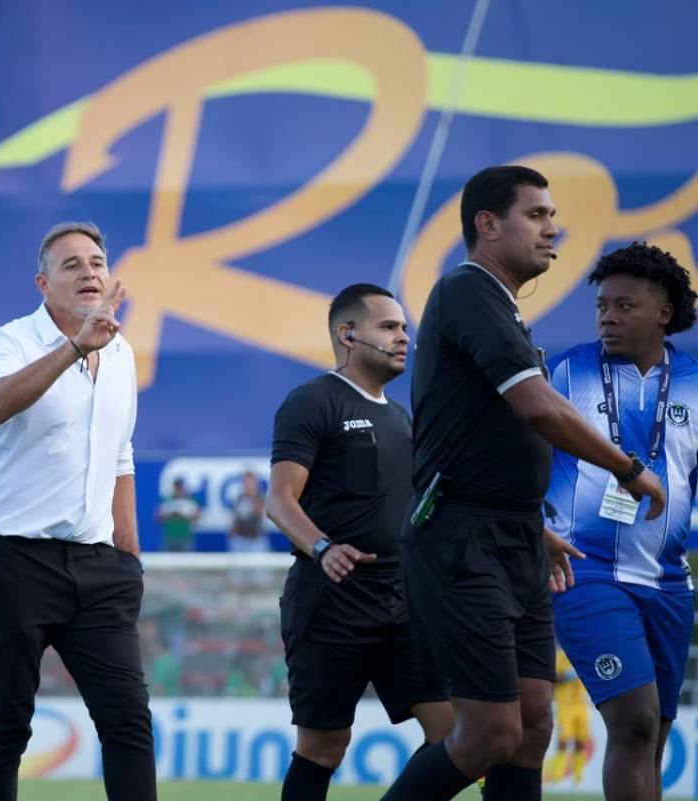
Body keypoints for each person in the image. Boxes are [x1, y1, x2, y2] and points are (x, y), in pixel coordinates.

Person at [381, 165, 665, 801]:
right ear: (487, 225)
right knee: (488, 732)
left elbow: (490, 435)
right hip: (461, 537)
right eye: (536, 214)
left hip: (514, 538)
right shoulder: (467, 289)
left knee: (535, 724)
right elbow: (538, 407)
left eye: (550, 215)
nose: (553, 227)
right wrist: (629, 467)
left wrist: (532, 527)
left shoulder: (501, 309)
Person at [0, 221, 153, 801]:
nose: (89, 272)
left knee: (128, 721)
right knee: (5, 727)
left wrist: (129, 555)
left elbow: (121, 454)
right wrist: (74, 345)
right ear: (43, 283)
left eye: (97, 262)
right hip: (15, 560)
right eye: (72, 264)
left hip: (100, 568)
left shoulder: (120, 350)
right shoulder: (11, 340)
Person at [265, 283, 453, 801]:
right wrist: (324, 548)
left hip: (402, 600)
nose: (404, 338)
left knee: (456, 735)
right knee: (324, 748)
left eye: (405, 328)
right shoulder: (312, 400)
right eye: (389, 327)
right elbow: (279, 501)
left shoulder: (401, 417)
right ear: (348, 334)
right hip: (331, 601)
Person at [544, 242, 698, 801]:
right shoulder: (564, 374)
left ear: (663, 313)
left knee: (652, 735)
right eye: (602, 306)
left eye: (624, 306)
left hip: (667, 581)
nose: (608, 316)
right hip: (585, 572)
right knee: (632, 721)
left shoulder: (695, 382)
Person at [543, 648, 591, 787]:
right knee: (563, 741)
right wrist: (566, 676)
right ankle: (557, 778)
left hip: (582, 704)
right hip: (565, 705)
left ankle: (578, 780)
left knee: (581, 742)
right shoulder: (561, 655)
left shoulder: (584, 653)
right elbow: (553, 678)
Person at [156, 477, 201, 551]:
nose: (178, 488)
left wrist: (182, 516)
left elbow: (197, 515)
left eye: (180, 486)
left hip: (185, 535)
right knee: (166, 560)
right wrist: (171, 516)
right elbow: (158, 516)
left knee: (186, 560)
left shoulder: (190, 501)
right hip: (170, 535)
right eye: (177, 486)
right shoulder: (168, 500)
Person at [228, 470, 268, 551]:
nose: (248, 485)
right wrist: (232, 532)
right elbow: (235, 516)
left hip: (256, 539)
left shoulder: (261, 497)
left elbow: (259, 513)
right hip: (240, 539)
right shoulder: (239, 498)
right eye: (245, 482)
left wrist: (252, 495)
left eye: (250, 482)